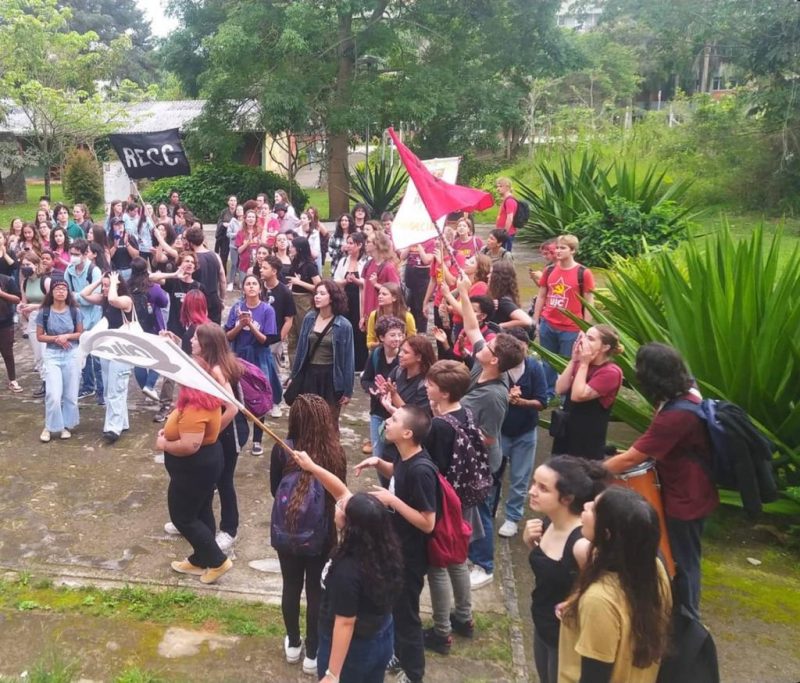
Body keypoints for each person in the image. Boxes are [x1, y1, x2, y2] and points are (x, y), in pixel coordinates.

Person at [603, 342, 718, 617]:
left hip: (687, 496)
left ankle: (689, 618)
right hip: (687, 488)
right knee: (681, 553)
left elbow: (632, 457)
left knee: (684, 558)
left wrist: (592, 470)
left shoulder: (678, 414)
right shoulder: (686, 391)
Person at [354, 405, 438, 683]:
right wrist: (379, 464)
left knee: (407, 615)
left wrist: (392, 502)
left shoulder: (422, 470)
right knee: (395, 608)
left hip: (411, 556)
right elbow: (399, 476)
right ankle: (399, 655)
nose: (386, 422)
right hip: (396, 548)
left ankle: (414, 674)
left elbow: (428, 522)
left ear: (408, 432)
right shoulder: (404, 457)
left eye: (393, 420)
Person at [557, 487, 672, 683]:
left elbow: (594, 677)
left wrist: (589, 609)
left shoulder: (599, 600)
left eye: (594, 509)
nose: (585, 505)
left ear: (607, 533)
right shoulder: (654, 567)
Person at [455, 277, 525, 590]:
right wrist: (463, 292)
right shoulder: (484, 365)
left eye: (490, 345)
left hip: (482, 461)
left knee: (480, 511)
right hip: (467, 453)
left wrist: (454, 422)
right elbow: (471, 327)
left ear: (495, 359)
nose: (482, 342)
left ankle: (484, 565)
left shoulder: (494, 395)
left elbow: (488, 438)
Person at [270, 394, 347, 675]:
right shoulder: (336, 451)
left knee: (291, 585)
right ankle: (313, 652)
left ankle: (293, 642)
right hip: (323, 532)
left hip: (288, 530)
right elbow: (340, 494)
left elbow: (274, 488)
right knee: (316, 590)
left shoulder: (283, 450)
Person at [156, 327, 236, 585]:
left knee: (183, 516)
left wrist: (164, 444)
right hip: (202, 462)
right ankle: (201, 558)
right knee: (201, 510)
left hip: (195, 464)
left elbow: (190, 445)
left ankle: (217, 560)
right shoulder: (198, 394)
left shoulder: (198, 402)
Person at [523, 456, 607, 683]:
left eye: (543, 488)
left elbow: (606, 590)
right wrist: (533, 545)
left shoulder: (581, 545)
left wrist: (575, 600)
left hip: (565, 638)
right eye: (533, 483)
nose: (532, 491)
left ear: (567, 498)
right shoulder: (548, 523)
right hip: (542, 627)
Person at [420, 360, 479, 655]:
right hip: (461, 499)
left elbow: (432, 465)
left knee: (438, 565)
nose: (425, 386)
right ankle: (464, 617)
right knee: (457, 558)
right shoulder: (464, 412)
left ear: (443, 392)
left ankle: (441, 631)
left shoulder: (440, 427)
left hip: (441, 501)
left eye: (430, 384)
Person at [496, 327, 548, 538]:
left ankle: (512, 518)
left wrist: (522, 401)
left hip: (524, 433)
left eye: (523, 346)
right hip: (500, 430)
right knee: (492, 475)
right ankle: (488, 511)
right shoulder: (498, 368)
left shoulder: (534, 368)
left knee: (520, 477)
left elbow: (542, 402)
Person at [532, 234, 595, 403]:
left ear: (573, 251)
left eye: (562, 248)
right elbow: (541, 295)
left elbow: (589, 302)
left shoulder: (584, 273)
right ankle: (547, 394)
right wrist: (536, 320)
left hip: (572, 327)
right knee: (547, 362)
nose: (558, 251)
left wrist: (585, 328)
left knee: (569, 364)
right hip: (548, 323)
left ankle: (565, 399)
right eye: (557, 247)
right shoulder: (549, 270)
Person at [150, 251, 207, 422]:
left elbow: (204, 312)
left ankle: (191, 403)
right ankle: (165, 406)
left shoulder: (198, 286)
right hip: (174, 333)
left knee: (193, 371)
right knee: (170, 372)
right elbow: (151, 277)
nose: (189, 264)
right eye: (185, 261)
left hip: (193, 335)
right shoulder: (173, 283)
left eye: (191, 261)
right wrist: (175, 274)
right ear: (180, 264)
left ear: (195, 266)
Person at [552, 325, 624, 460]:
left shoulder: (610, 372)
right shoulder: (581, 363)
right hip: (566, 433)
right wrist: (574, 360)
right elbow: (560, 389)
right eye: (584, 336)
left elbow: (578, 395)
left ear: (605, 347)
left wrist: (584, 364)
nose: (583, 341)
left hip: (587, 441)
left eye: (590, 339)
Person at [225, 273, 278, 456]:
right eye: (248, 284)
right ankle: (239, 435)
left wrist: (251, 325)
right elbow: (227, 335)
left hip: (259, 356)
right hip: (239, 356)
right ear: (244, 288)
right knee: (236, 395)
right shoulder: (236, 308)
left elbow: (267, 340)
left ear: (260, 288)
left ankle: (257, 439)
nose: (251, 287)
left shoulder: (267, 311)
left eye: (255, 283)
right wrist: (240, 324)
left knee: (259, 397)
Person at [289, 280, 354, 426]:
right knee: (306, 420)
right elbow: (300, 350)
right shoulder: (309, 318)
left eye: (322, 294)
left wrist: (348, 390)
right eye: (316, 293)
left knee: (329, 423)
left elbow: (348, 360)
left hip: (330, 378)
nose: (317, 296)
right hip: (310, 374)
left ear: (332, 298)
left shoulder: (343, 325)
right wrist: (293, 376)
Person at [79, 272, 134, 443]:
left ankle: (113, 427)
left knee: (116, 388)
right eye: (104, 285)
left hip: (122, 351)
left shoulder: (125, 300)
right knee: (111, 387)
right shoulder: (104, 300)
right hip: (107, 350)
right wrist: (100, 280)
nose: (104, 288)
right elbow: (84, 294)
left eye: (107, 285)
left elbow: (113, 300)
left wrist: (114, 284)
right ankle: (122, 421)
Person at [35, 278, 83, 442]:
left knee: (70, 395)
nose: (61, 291)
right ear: (52, 292)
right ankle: (50, 426)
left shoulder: (75, 311)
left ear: (68, 292)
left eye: (64, 288)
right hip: (52, 355)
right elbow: (40, 336)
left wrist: (66, 336)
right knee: (53, 395)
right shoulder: (45, 312)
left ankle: (65, 425)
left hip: (71, 354)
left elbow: (80, 333)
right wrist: (56, 339)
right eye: (57, 289)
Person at [65, 239, 103, 403]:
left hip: (94, 319)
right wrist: (80, 297)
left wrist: (78, 297)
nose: (73, 257)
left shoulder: (94, 271)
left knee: (98, 358)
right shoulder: (69, 270)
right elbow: (66, 294)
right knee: (83, 356)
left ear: (85, 254)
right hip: (78, 320)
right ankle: (88, 386)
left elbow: (97, 298)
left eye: (76, 254)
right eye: (71, 254)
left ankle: (101, 392)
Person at [360, 316, 404, 457]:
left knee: (396, 456)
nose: (397, 338)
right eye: (392, 335)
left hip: (397, 413)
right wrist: (374, 390)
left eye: (400, 335)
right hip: (378, 412)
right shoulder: (376, 355)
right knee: (377, 456)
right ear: (381, 337)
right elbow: (366, 379)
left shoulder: (404, 358)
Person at [128, 257, 169, 402]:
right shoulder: (153, 288)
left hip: (135, 328)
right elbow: (164, 302)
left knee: (139, 361)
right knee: (160, 358)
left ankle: (146, 389)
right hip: (154, 328)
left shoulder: (128, 287)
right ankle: (150, 386)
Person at [259, 255, 295, 416]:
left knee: (274, 371)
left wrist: (280, 338)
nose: (261, 269)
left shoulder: (284, 292)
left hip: (274, 339)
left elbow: (289, 319)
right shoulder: (258, 287)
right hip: (256, 335)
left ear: (274, 271)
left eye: (265, 267)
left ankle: (275, 402)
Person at [18, 250, 52, 397]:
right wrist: (22, 308)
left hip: (47, 319)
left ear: (36, 264)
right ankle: (44, 381)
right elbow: (25, 302)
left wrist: (35, 306)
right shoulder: (25, 283)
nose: (25, 267)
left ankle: (51, 383)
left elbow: (54, 303)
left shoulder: (45, 281)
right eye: (23, 265)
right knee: (38, 355)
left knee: (46, 354)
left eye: (28, 264)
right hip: (33, 319)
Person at [332, 232, 368, 369]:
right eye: (347, 243)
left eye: (351, 243)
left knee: (359, 331)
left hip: (359, 300)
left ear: (359, 245)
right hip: (346, 299)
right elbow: (335, 280)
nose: (348, 246)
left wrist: (357, 281)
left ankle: (360, 365)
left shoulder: (365, 261)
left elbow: (368, 283)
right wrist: (345, 281)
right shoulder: (343, 261)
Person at [287, 236, 321, 358]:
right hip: (293, 298)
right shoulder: (295, 262)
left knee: (304, 332)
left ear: (300, 249)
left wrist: (299, 282)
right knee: (292, 335)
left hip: (305, 301)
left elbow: (319, 286)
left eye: (292, 246)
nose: (290, 248)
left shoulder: (310, 266)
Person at [184, 226, 226, 325]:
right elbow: (223, 280)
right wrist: (222, 299)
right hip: (214, 298)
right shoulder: (215, 255)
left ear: (190, 242)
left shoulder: (191, 259)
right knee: (214, 331)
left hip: (197, 300)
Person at [361, 234, 400, 328]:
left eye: (368, 242)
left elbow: (396, 291)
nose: (365, 244)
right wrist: (363, 315)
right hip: (369, 315)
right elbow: (364, 291)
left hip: (383, 315)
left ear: (377, 245)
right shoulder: (368, 264)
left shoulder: (388, 267)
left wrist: (376, 284)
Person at [366, 282, 416, 351]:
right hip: (380, 354)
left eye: (384, 294)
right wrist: (385, 344)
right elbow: (369, 343)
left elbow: (413, 341)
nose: (380, 296)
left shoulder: (407, 317)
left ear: (394, 298)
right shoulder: (374, 315)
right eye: (379, 293)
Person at [399, 239, 435, 333]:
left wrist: (419, 245)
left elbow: (427, 260)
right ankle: (411, 330)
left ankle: (421, 332)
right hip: (410, 274)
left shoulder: (431, 242)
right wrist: (410, 244)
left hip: (422, 276)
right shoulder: (410, 242)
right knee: (409, 305)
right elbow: (402, 256)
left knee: (420, 306)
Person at [488, 260, 533, 330]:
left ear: (497, 277)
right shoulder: (506, 295)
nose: (488, 276)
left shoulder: (503, 301)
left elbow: (526, 321)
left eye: (491, 273)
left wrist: (500, 326)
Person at [0, 264, 22, 393]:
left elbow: (17, 299)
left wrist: (2, 293)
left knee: (7, 352)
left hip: (5, 322)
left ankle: (12, 380)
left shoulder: (7, 280)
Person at [215, 195, 237, 282]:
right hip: (224, 237)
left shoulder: (238, 211)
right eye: (231, 200)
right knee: (223, 257)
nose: (232, 202)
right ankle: (223, 275)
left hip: (235, 239)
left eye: (234, 200)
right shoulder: (224, 212)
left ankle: (233, 277)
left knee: (235, 259)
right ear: (228, 202)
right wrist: (223, 224)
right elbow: (219, 222)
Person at [495, 177, 519, 251]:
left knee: (505, 254)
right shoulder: (505, 200)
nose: (498, 189)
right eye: (497, 186)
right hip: (502, 232)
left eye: (500, 186)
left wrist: (504, 233)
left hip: (507, 233)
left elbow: (510, 218)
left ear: (507, 187)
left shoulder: (509, 201)